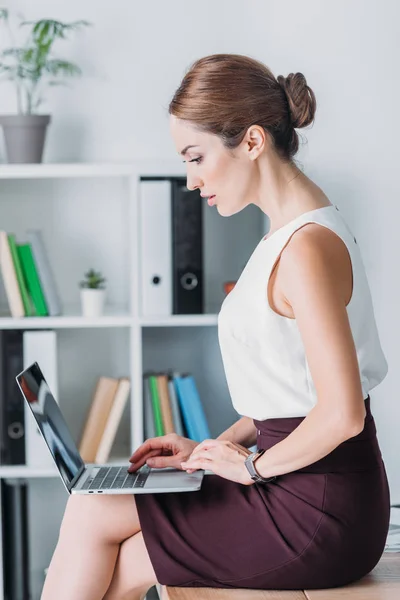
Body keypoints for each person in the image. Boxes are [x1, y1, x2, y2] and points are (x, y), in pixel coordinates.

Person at [41, 54, 390, 600]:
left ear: (251, 142)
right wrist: (207, 452)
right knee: (98, 518)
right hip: (291, 486)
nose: (189, 179)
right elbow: (289, 392)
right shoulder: (287, 236)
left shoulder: (306, 248)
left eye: (196, 157)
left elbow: (341, 414)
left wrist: (249, 468)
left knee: (102, 527)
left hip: (316, 510)